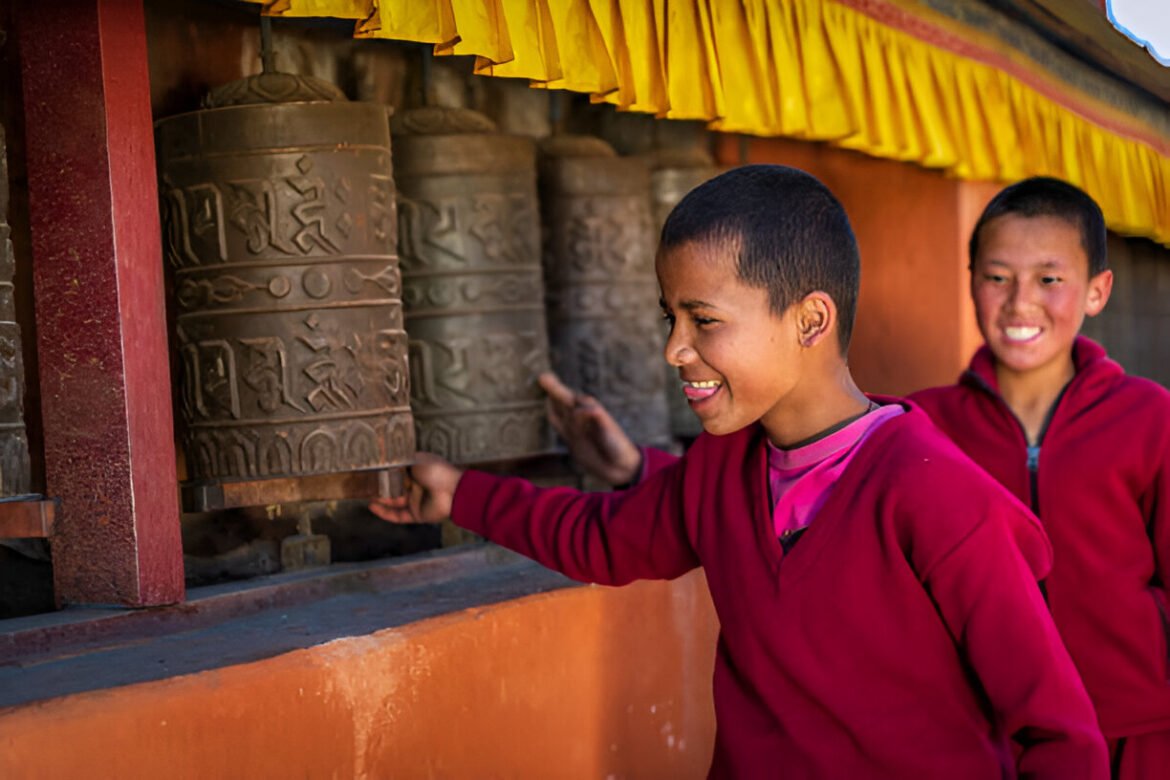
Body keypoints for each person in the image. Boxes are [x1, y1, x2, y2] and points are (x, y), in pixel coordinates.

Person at [371, 165, 1107, 777]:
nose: (675, 350)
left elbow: (1061, 735)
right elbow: (603, 537)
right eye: (671, 319)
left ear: (810, 321)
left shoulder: (932, 493)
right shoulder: (720, 471)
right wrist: (461, 493)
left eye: (704, 320)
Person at [907, 177, 1170, 779]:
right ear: (971, 281)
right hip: (982, 735)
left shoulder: (1151, 418)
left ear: (1097, 291)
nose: (1021, 302)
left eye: (1050, 279)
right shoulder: (922, 427)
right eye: (998, 277)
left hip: (1131, 731)